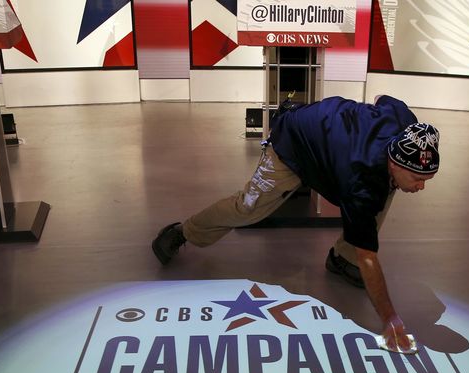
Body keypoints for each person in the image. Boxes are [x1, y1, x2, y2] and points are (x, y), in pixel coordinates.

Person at [151, 95, 439, 353]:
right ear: (395, 162)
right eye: (417, 179)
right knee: (248, 207)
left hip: (334, 151)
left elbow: (383, 99)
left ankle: (341, 259)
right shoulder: (361, 180)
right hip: (294, 143)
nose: (421, 188)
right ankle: (183, 231)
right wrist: (390, 318)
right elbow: (369, 255)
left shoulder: (406, 125)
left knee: (385, 192)